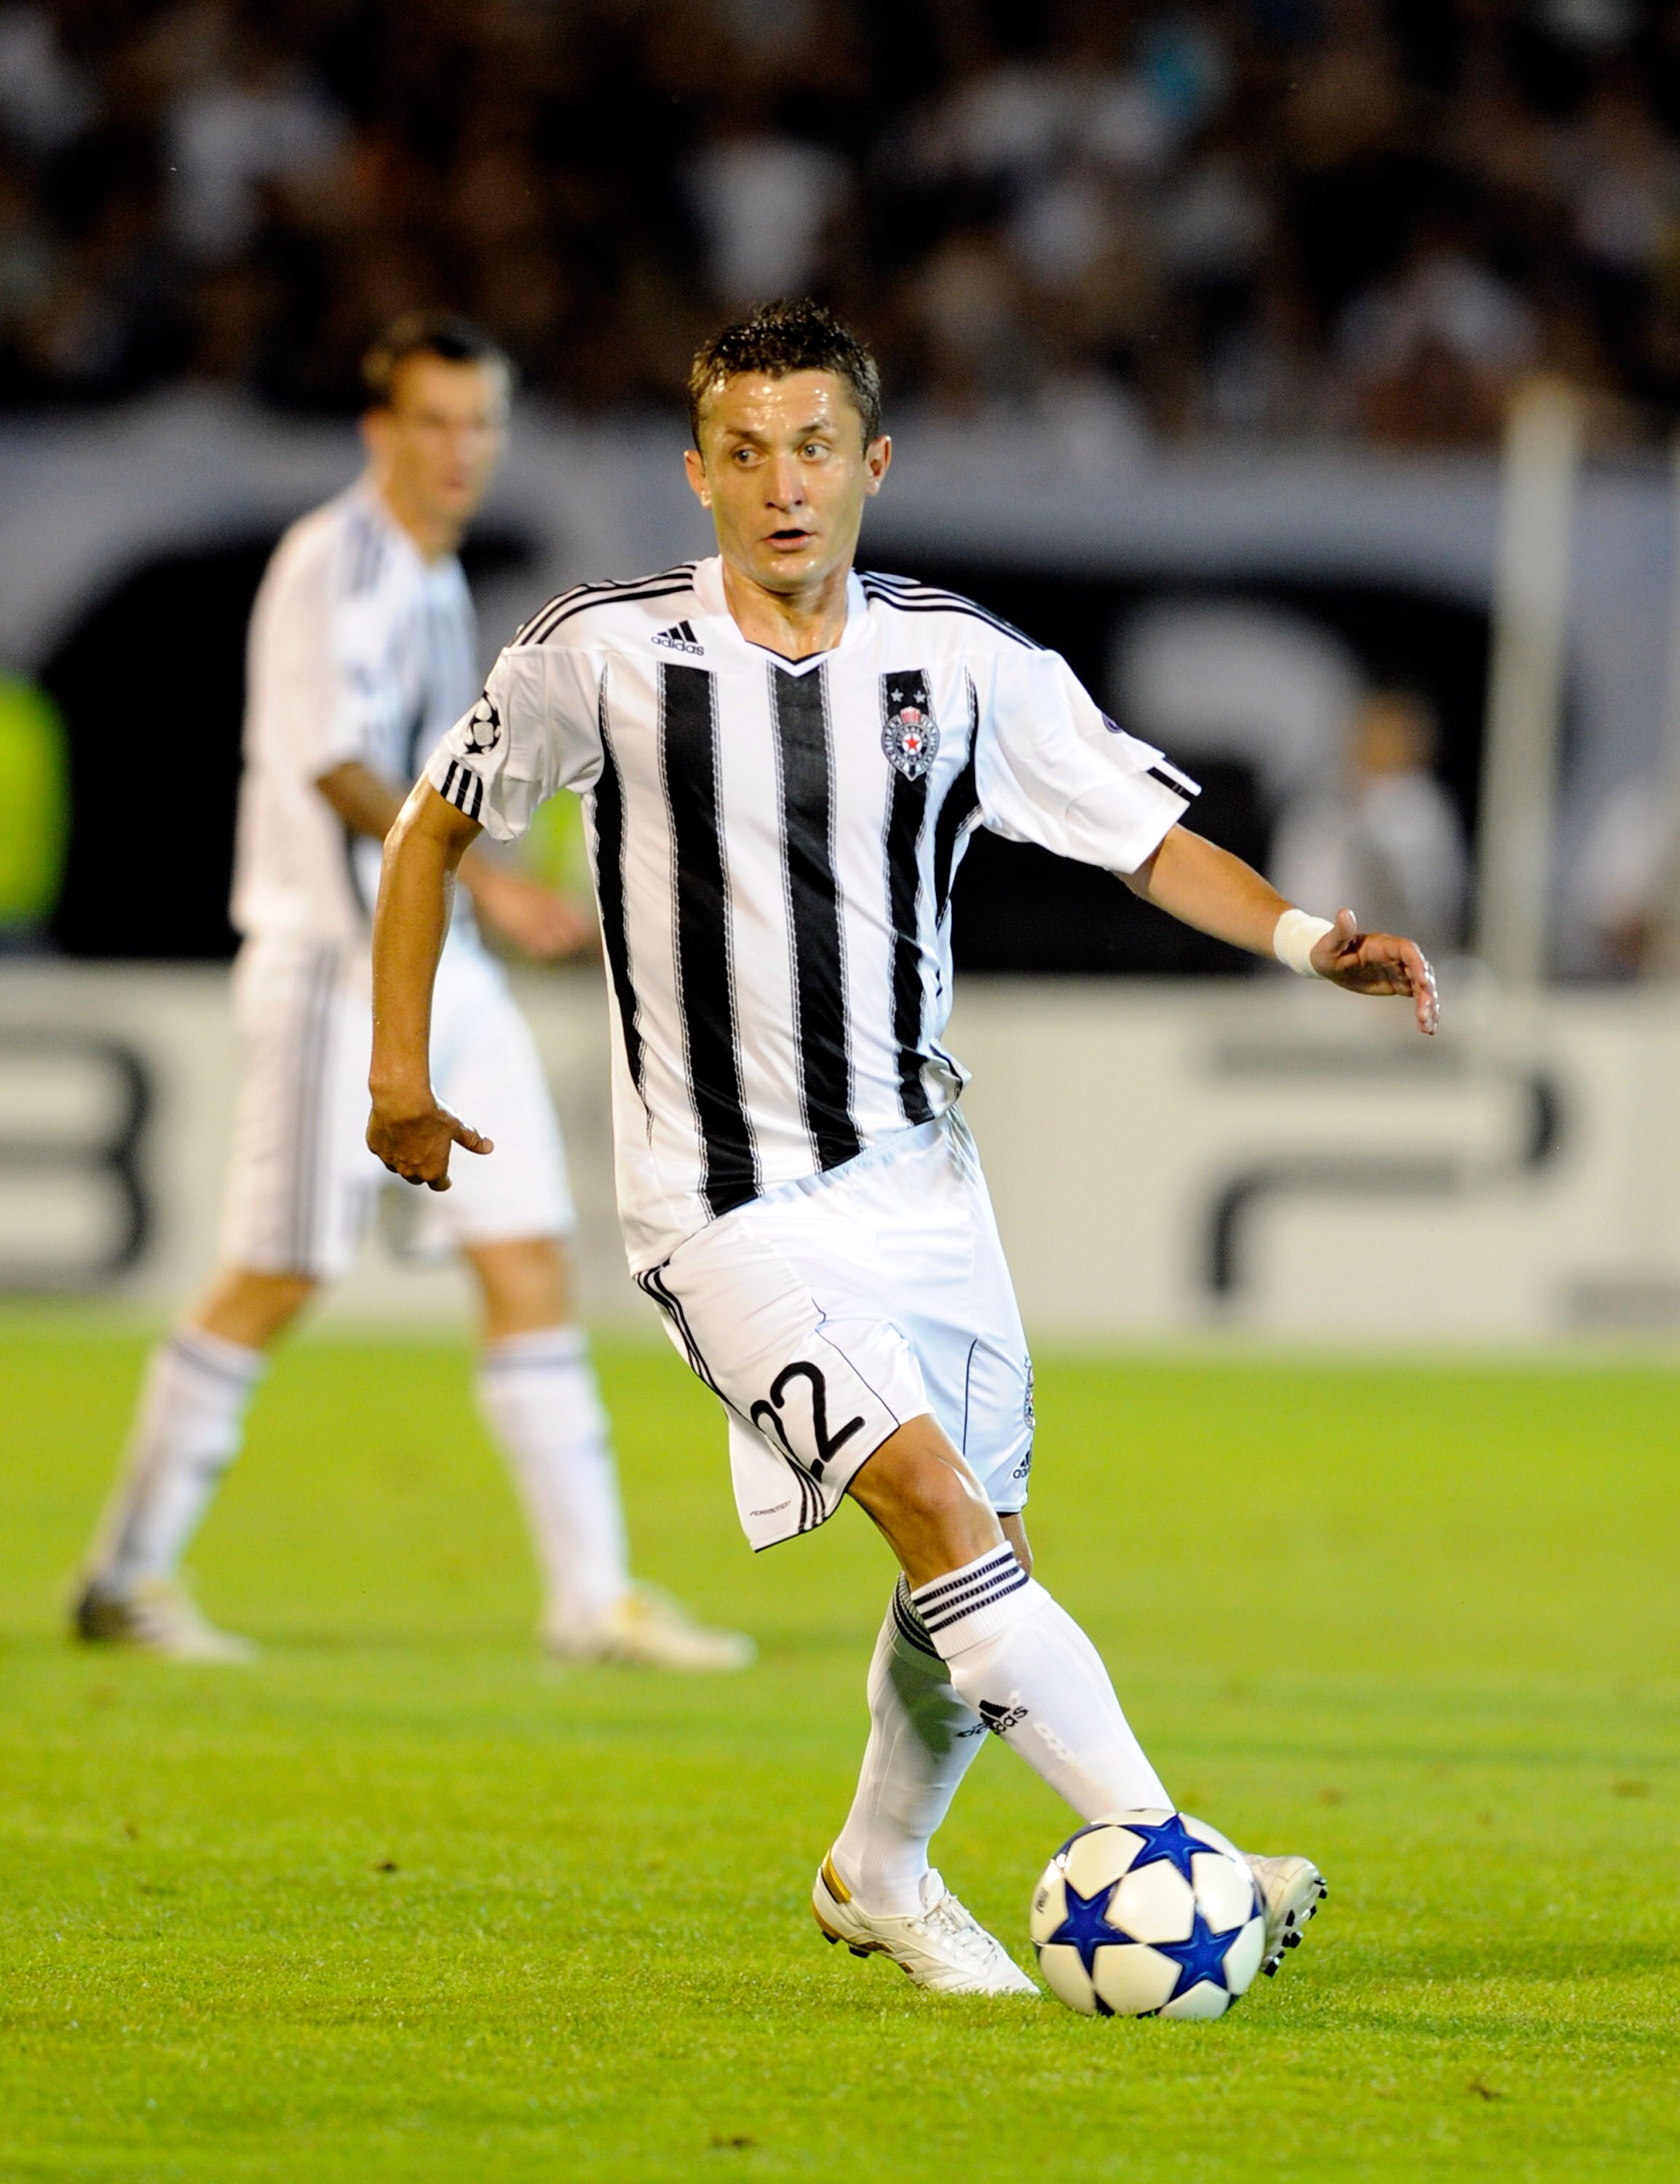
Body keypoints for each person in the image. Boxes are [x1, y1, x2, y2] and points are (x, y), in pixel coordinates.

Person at [366, 299, 1438, 1995]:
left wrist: (1312, 936)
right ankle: (1184, 1868)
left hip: (923, 1184)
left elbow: (1143, 839)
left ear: (870, 462)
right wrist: (397, 1073)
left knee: (976, 1548)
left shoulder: (959, 661)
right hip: (720, 1203)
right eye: (743, 451)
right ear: (697, 473)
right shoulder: (597, 653)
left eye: (810, 447)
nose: (779, 483)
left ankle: (874, 1864)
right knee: (935, 1508)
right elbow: (432, 832)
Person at [74, 311, 752, 1675]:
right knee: (274, 1271)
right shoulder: (336, 562)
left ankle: (591, 1597)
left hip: (445, 971)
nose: (460, 450)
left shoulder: (435, 583)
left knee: (525, 1255)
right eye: (433, 423)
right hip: (337, 968)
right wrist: (484, 879)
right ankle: (126, 1576)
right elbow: (329, 764)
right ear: (382, 433)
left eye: (480, 424)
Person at [1269, 687, 1467, 961]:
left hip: (1403, 965)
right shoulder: (1315, 803)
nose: (1382, 741)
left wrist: (1375, 818)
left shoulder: (1426, 809)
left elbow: (1437, 910)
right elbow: (1290, 895)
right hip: (1316, 964)